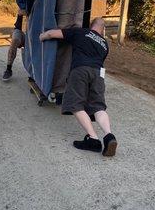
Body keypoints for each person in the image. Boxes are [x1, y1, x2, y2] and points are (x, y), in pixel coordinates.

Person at [39, 17, 118, 157]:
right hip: (99, 74)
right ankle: (109, 135)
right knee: (98, 107)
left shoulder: (80, 32)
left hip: (80, 70)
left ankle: (93, 139)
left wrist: (42, 36)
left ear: (90, 26)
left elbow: (52, 34)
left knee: (75, 105)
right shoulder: (105, 44)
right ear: (103, 29)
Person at [2, 11, 26, 81]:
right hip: (19, 29)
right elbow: (21, 11)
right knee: (15, 40)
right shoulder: (23, 1)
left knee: (32, 48)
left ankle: (33, 75)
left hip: (32, 31)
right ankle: (8, 69)